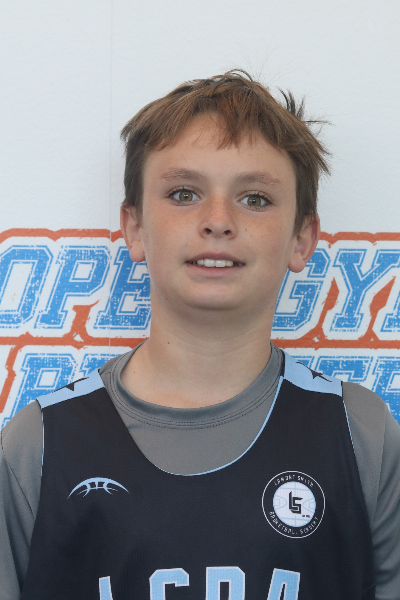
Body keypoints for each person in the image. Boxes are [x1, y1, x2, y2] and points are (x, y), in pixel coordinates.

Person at [1, 71, 399, 600]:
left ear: (302, 238)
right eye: (184, 193)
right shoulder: (39, 446)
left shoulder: (361, 434)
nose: (218, 220)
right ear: (135, 228)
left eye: (255, 198)